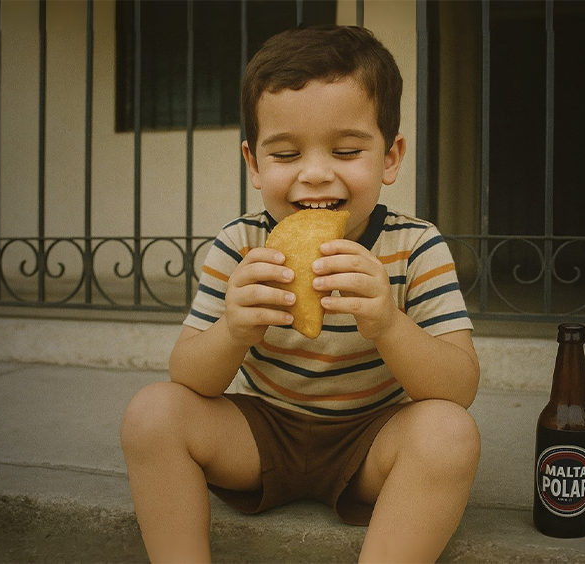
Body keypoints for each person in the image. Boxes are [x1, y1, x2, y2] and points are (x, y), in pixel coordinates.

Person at [120, 25, 481, 564]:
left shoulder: (416, 246)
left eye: (346, 149)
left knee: (450, 433)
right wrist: (234, 330)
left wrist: (388, 323)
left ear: (390, 157)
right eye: (286, 155)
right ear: (254, 163)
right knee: (153, 413)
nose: (315, 174)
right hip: (261, 431)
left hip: (372, 443)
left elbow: (459, 386)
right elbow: (189, 375)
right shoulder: (240, 245)